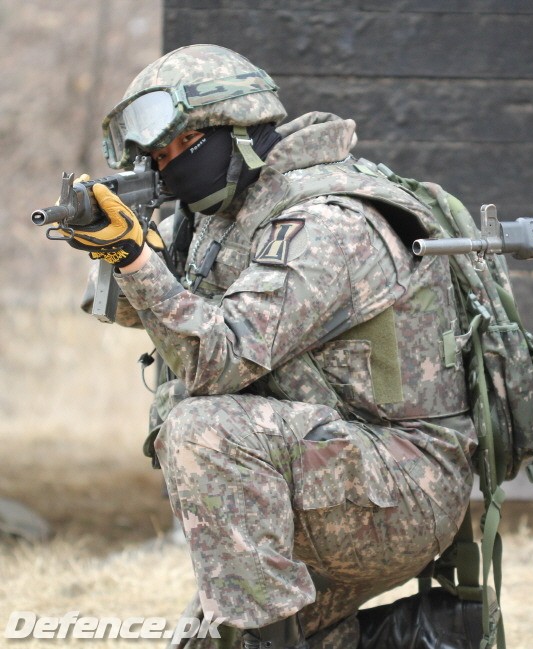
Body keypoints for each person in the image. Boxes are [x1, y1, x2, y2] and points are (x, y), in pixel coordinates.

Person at [48, 44, 477, 648]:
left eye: (178, 147)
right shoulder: (226, 210)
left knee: (203, 429)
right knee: (215, 642)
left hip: (402, 486)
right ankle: (429, 636)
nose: (167, 166)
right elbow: (129, 308)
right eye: (156, 155)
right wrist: (114, 244)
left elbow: (216, 360)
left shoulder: (328, 222)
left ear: (237, 129)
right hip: (325, 470)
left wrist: (137, 258)